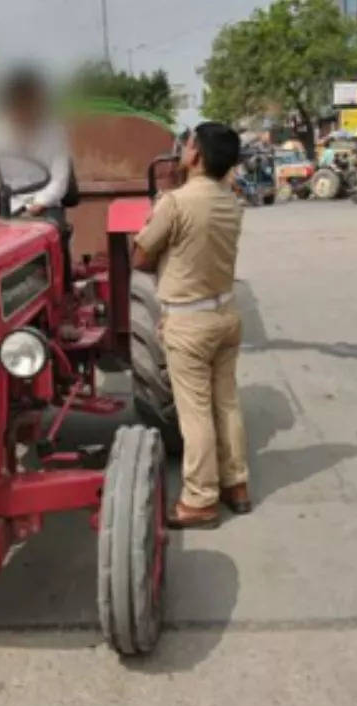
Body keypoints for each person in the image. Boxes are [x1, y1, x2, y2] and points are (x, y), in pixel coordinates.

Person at [133, 122, 251, 528]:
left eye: (186, 144)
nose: (181, 149)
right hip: (225, 315)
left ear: (196, 155)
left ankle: (200, 500)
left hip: (189, 321)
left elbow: (141, 257)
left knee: (195, 412)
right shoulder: (230, 202)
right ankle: (236, 484)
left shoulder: (175, 203)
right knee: (226, 402)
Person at [0, 68, 71, 223]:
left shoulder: (55, 133)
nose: (24, 107)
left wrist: (36, 204)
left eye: (29, 100)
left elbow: (60, 181)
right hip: (3, 207)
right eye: (18, 101)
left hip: (44, 207)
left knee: (47, 229)